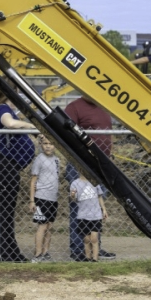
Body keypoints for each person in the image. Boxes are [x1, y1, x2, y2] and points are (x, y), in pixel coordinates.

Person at [0, 88, 37, 262]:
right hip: (4, 165)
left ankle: (8, 251)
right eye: (14, 93)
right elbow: (10, 123)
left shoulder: (2, 109)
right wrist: (30, 126)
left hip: (8, 166)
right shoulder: (2, 109)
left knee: (6, 211)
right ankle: (3, 253)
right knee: (5, 211)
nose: (17, 97)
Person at [64, 96, 116, 261]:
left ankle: (95, 248)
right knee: (79, 207)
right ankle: (78, 249)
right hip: (81, 164)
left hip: (101, 164)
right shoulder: (74, 107)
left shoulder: (103, 106)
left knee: (96, 208)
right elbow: (66, 135)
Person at [29, 135, 60, 263]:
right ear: (41, 145)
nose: (48, 146)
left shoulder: (57, 160)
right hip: (41, 197)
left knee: (49, 226)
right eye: (45, 143)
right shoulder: (39, 159)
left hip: (53, 198)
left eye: (51, 143)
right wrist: (32, 200)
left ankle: (45, 252)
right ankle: (37, 254)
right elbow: (33, 181)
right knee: (42, 226)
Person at [69, 173, 108, 262]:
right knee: (86, 239)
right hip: (83, 215)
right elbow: (73, 199)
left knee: (94, 239)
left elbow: (99, 196)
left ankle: (95, 258)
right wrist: (72, 195)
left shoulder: (94, 181)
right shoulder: (75, 183)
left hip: (95, 215)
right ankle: (88, 257)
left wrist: (104, 209)